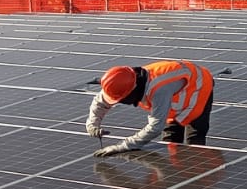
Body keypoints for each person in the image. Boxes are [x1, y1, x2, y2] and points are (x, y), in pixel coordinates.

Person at [87, 59, 215, 157]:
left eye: (122, 100)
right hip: (173, 95)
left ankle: (195, 179)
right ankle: (173, 179)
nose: (120, 102)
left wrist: (123, 146)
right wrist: (92, 124)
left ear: (132, 91)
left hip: (198, 86)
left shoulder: (159, 89)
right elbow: (100, 102)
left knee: (193, 140)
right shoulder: (120, 81)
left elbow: (155, 127)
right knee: (170, 138)